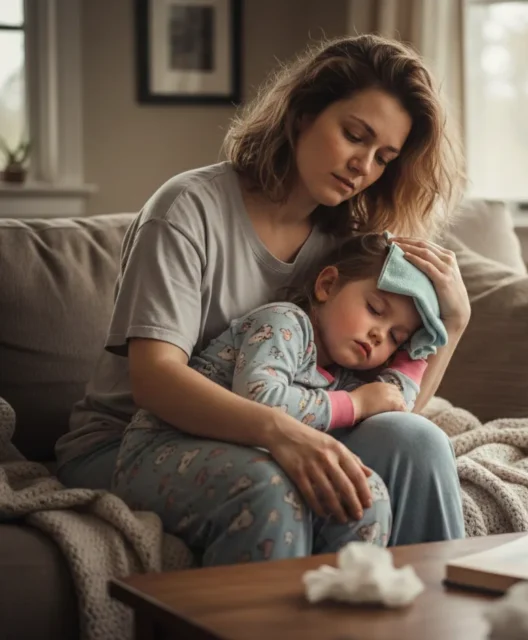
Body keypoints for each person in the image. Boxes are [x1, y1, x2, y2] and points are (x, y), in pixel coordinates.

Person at [55, 33, 471, 566]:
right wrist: (281, 433)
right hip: (129, 441)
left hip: (274, 432)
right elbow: (154, 379)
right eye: (353, 135)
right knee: (270, 489)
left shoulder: (349, 248)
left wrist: (453, 324)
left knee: (416, 442)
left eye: (384, 157)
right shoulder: (187, 209)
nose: (363, 165)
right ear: (302, 114)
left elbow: (390, 401)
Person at [113, 233, 432, 556]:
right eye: (375, 309)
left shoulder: (342, 376)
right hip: (164, 446)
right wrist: (356, 403)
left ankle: (336, 599)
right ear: (327, 285)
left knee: (367, 495)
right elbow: (262, 399)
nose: (379, 335)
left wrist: (420, 350)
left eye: (396, 337)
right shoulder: (284, 323)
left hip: (248, 457)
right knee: (272, 489)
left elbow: (393, 402)